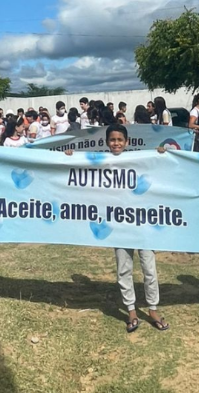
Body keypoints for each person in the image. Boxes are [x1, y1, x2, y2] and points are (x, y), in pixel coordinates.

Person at [66, 124, 168, 332]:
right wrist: (68, 157)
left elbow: (157, 169)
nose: (116, 144)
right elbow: (81, 168)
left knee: (149, 268)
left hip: (142, 223)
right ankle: (131, 310)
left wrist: (160, 155)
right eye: (112, 140)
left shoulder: (138, 160)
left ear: (127, 142)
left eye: (120, 140)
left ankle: (153, 309)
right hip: (118, 226)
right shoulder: (101, 163)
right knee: (124, 269)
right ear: (106, 143)